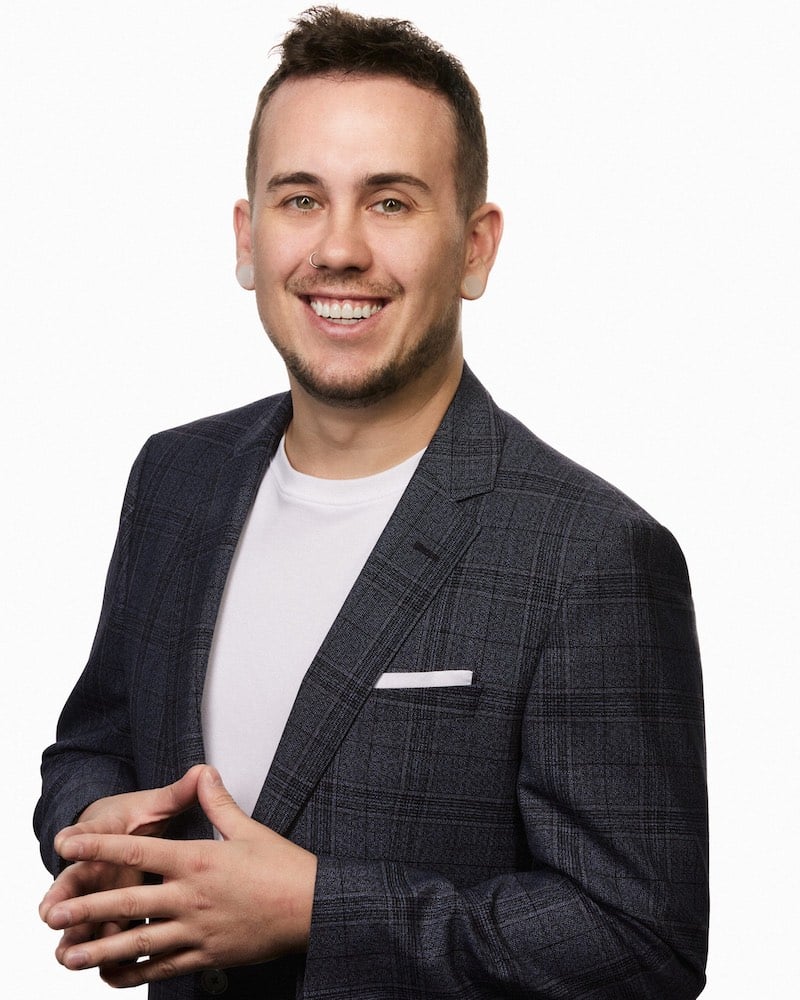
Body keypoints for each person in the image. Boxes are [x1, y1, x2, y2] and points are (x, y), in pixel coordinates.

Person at [35, 7, 708, 999]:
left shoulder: (591, 554)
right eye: (300, 199)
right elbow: (94, 741)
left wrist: (314, 910)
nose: (338, 248)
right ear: (247, 236)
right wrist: (96, 830)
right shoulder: (176, 478)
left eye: (390, 203)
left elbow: (640, 939)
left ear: (474, 248)